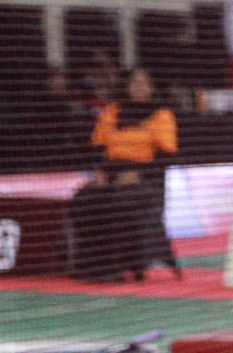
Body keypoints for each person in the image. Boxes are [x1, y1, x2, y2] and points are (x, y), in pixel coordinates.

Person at [75, 69, 178, 282]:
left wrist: (139, 174)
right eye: (134, 82)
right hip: (110, 174)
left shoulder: (162, 115)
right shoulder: (112, 111)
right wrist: (98, 171)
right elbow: (96, 147)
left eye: (144, 83)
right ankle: (90, 264)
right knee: (84, 199)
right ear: (126, 86)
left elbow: (166, 155)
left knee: (121, 201)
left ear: (152, 87)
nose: (139, 87)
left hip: (144, 178)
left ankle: (117, 266)